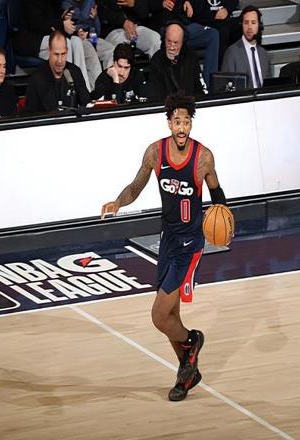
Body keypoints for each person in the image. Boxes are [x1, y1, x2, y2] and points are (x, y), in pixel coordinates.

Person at [101, 93, 228, 401]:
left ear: (190, 124)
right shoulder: (155, 153)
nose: (182, 127)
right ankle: (187, 374)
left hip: (190, 244)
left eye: (186, 122)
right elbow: (136, 187)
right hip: (168, 240)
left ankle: (192, 341)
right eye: (177, 122)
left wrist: (223, 219)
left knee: (159, 316)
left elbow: (217, 194)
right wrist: (118, 202)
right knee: (171, 314)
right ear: (169, 123)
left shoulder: (203, 157)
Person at [11, 0, 99, 92]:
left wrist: (64, 16)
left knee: (77, 41)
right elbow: (36, 23)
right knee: (64, 44)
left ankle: (84, 91)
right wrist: (61, 24)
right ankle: (66, 91)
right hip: (33, 39)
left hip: (54, 35)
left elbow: (54, 16)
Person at [146, 0, 219, 86]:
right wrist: (161, 3)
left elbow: (197, 9)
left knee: (212, 34)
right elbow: (144, 6)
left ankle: (209, 85)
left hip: (185, 24)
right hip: (163, 25)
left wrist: (187, 1)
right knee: (174, 34)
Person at [24, 30, 90, 114]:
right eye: (56, 54)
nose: (60, 60)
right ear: (49, 51)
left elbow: (86, 104)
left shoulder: (74, 72)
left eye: (63, 54)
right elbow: (29, 113)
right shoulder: (36, 78)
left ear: (67, 51)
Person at [147, 21, 207, 102]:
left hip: (189, 105)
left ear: (182, 42)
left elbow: (199, 88)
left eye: (176, 43)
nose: (172, 47)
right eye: (169, 42)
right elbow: (154, 95)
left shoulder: (191, 57)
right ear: (164, 39)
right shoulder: (156, 60)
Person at [221, 6, 270, 89]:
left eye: (253, 23)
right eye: (246, 23)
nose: (249, 27)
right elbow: (226, 88)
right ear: (242, 25)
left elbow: (269, 86)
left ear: (259, 25)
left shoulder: (264, 54)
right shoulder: (232, 52)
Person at [61, 0, 116, 71]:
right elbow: (66, 29)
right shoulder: (66, 4)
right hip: (77, 39)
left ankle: (109, 76)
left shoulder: (90, 2)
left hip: (92, 36)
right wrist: (78, 32)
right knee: (92, 55)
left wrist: (95, 18)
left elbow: (98, 31)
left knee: (111, 50)